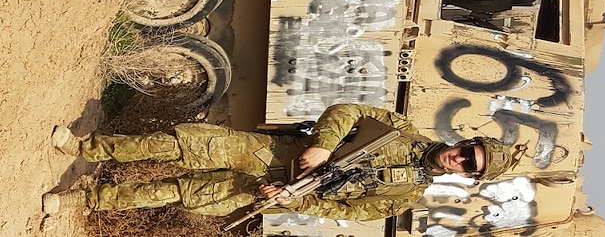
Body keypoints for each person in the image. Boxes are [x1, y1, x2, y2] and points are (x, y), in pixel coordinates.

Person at [42, 103, 515, 221]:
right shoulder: (401, 129)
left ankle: (90, 199)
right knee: (175, 144)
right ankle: (85, 148)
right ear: (463, 140)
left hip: (274, 189)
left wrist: (291, 200)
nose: (460, 159)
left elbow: (346, 212)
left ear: (465, 177)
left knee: (178, 192)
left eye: (468, 166)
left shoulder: (403, 196)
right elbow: (348, 111)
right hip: (273, 153)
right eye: (467, 150)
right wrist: (326, 145)